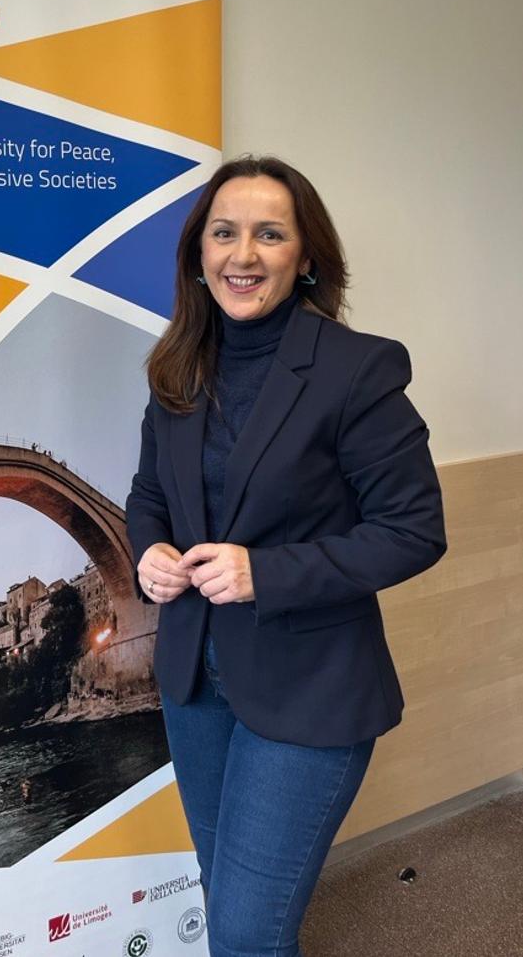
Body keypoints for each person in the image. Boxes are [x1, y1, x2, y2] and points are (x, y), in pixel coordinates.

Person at [126, 155, 446, 957]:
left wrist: (261, 572)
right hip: (194, 683)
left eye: (269, 234)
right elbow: (147, 495)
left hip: (309, 690)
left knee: (241, 933)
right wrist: (148, 553)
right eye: (224, 233)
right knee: (232, 904)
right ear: (198, 254)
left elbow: (412, 529)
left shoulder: (356, 368)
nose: (243, 255)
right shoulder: (177, 367)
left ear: (304, 257)